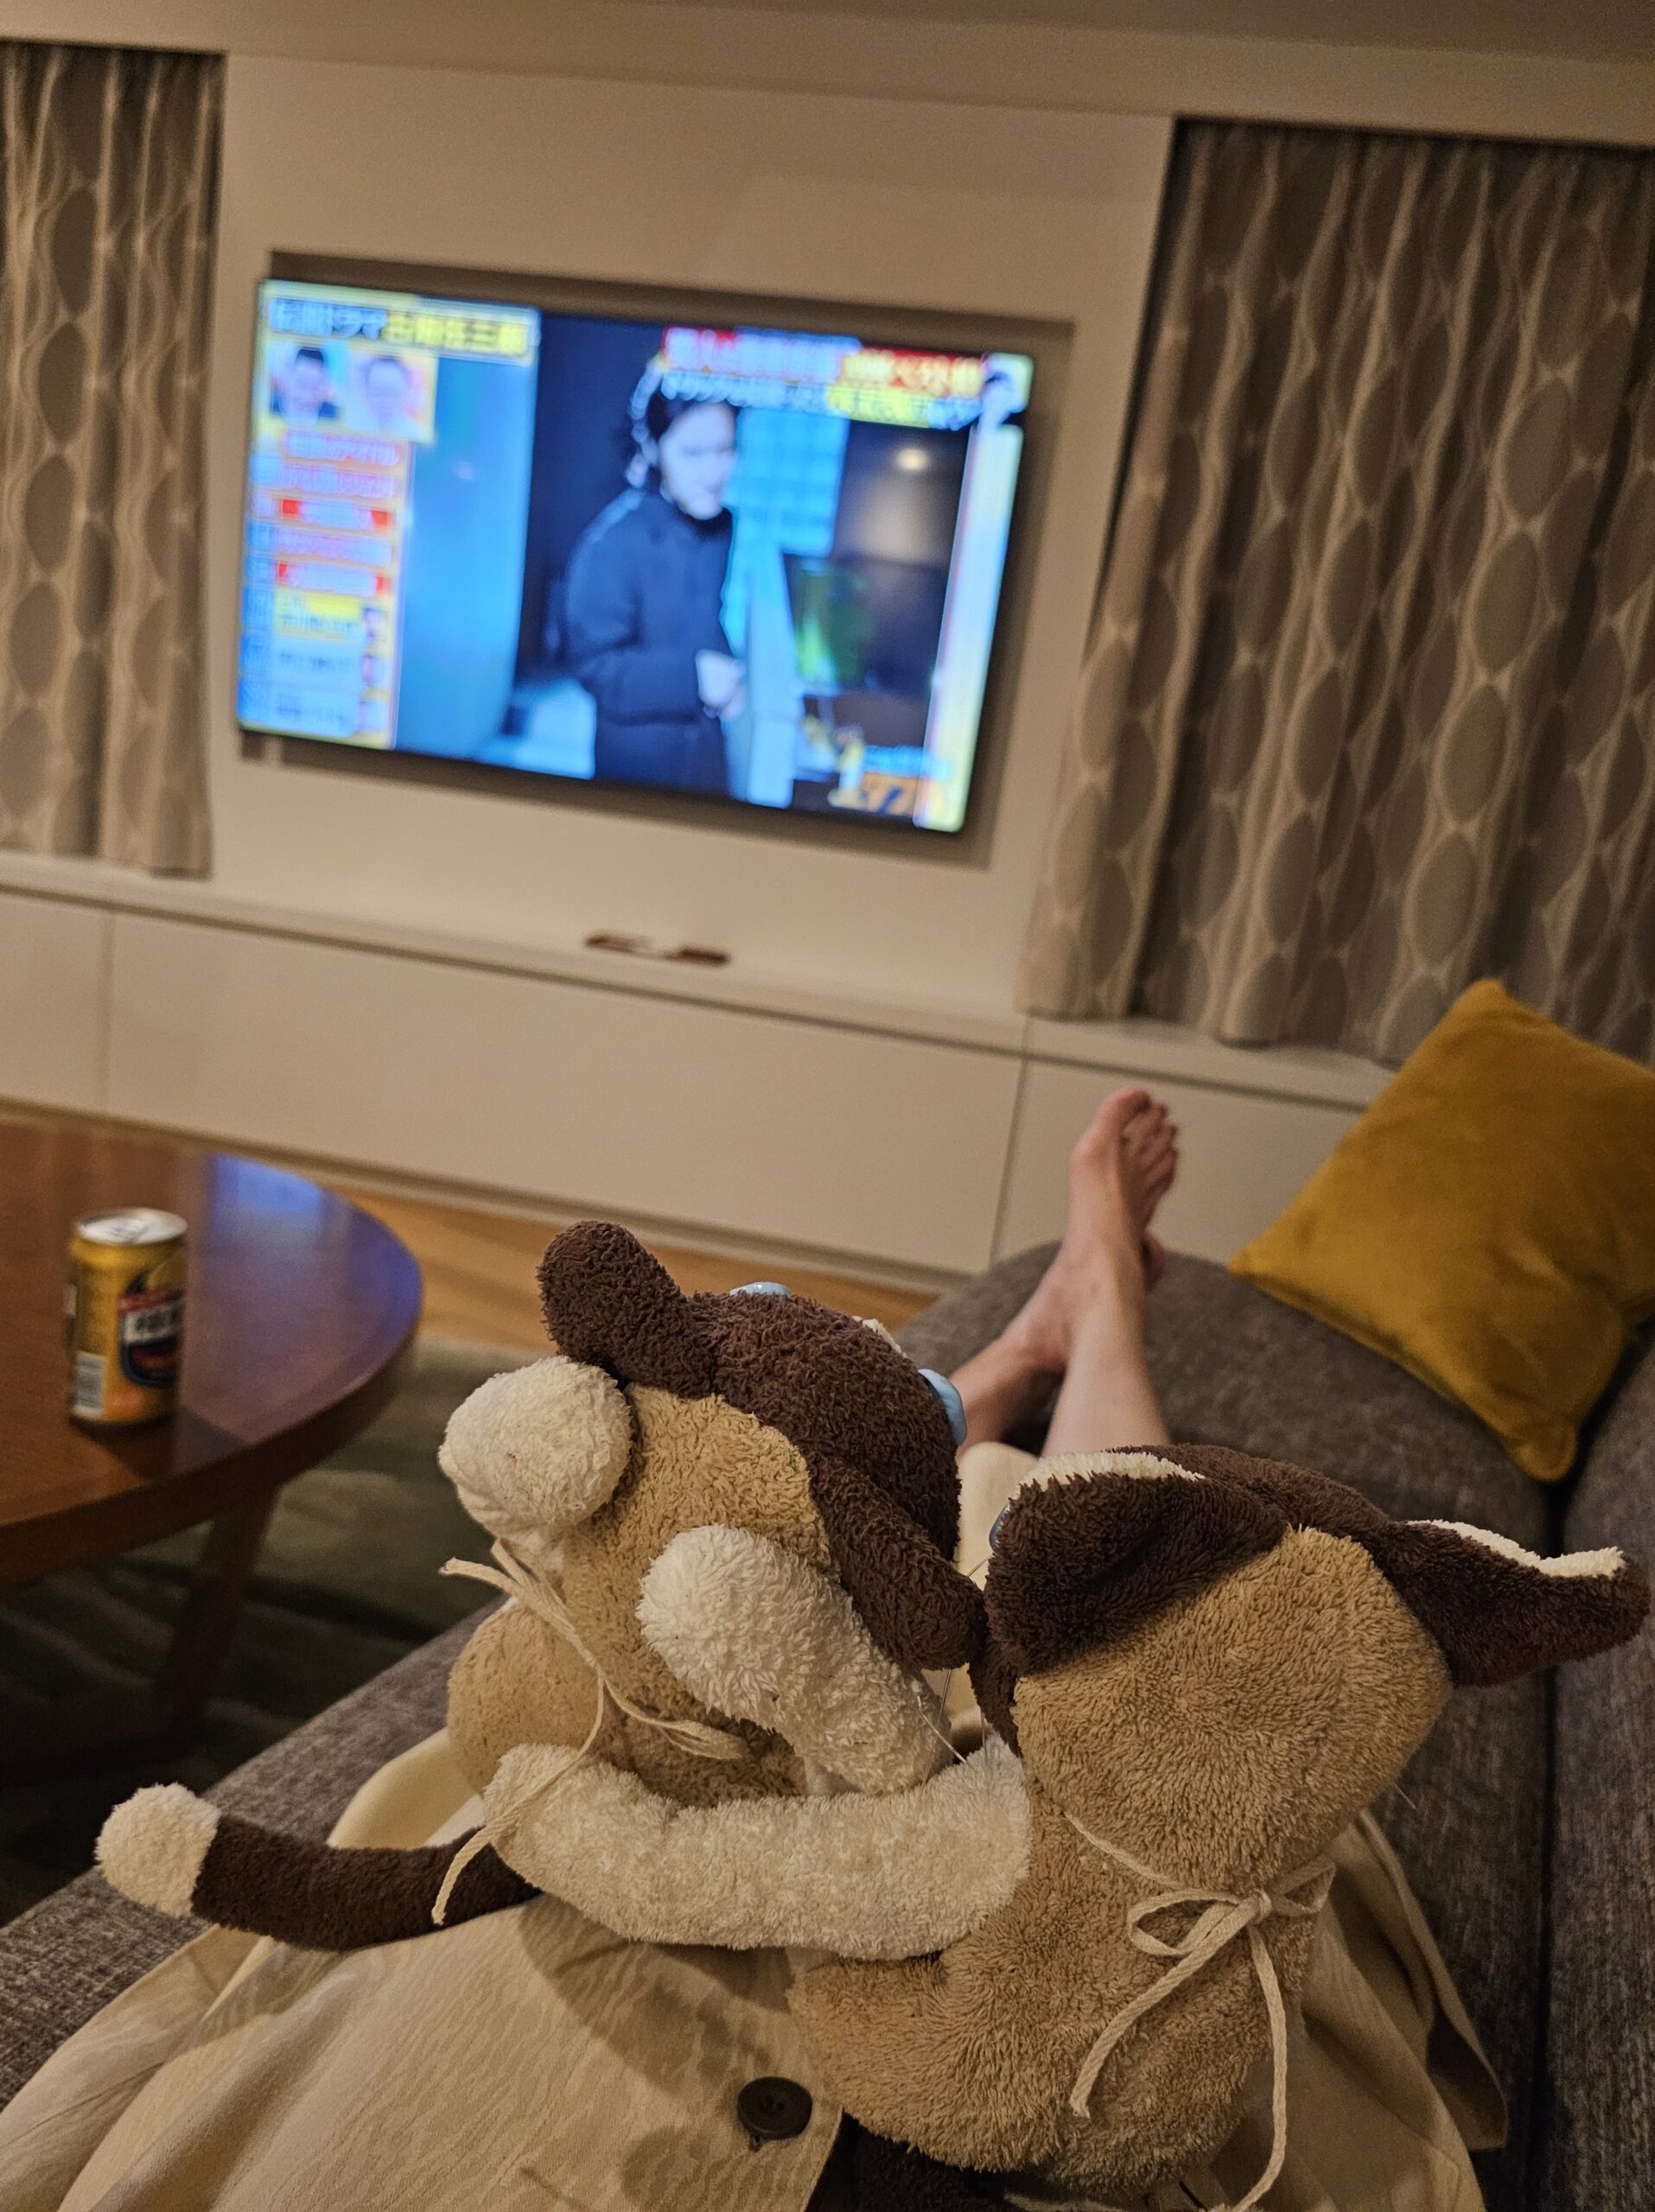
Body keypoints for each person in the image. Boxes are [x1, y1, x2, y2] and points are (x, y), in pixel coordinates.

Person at [561, 391, 746, 797]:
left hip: (706, 756)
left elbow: (705, 615)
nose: (714, 472)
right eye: (693, 453)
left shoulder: (719, 526)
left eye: (725, 450)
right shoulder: (612, 542)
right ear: (655, 448)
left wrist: (729, 674)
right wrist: (694, 679)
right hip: (638, 766)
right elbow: (596, 667)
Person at [271, 343, 340, 423]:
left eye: (315, 387)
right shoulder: (267, 407)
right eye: (301, 384)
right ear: (287, 376)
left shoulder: (333, 416)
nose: (306, 397)